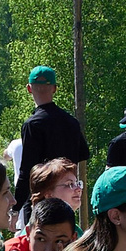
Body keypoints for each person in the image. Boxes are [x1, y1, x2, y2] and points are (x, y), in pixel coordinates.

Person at [13, 66, 91, 208]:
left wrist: (16, 206)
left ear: (29, 89)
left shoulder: (32, 124)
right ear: (54, 88)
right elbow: (84, 153)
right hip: (68, 192)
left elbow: (26, 169)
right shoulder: (71, 122)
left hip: (43, 197)